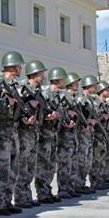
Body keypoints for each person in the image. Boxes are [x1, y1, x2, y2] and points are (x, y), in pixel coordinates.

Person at [0, 51, 26, 216]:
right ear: (13, 66)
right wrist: (5, 102)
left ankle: (7, 201)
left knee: (13, 170)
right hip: (0, 132)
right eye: (19, 65)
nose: (21, 68)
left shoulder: (15, 85)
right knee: (0, 170)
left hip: (13, 131)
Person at [14, 60, 47, 209]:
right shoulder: (22, 89)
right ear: (34, 74)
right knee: (22, 166)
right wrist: (26, 112)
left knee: (31, 167)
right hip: (23, 133)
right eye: (41, 73)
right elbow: (16, 108)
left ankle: (27, 196)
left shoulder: (38, 91)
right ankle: (21, 198)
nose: (44, 76)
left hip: (34, 133)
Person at [36, 66, 68, 203]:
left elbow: (61, 112)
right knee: (43, 165)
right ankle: (42, 193)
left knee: (50, 165)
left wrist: (57, 115)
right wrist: (46, 116)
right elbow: (37, 111)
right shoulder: (44, 93)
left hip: (53, 134)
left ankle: (47, 191)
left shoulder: (56, 95)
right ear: (57, 80)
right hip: (44, 135)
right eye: (63, 79)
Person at [57, 72, 83, 198]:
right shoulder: (63, 97)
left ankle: (71, 188)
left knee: (73, 163)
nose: (77, 84)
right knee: (64, 164)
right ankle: (63, 189)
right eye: (74, 82)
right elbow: (58, 112)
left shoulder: (73, 98)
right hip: (64, 136)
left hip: (73, 136)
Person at [75, 75, 99, 194]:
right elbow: (78, 115)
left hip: (89, 133)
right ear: (88, 86)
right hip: (82, 133)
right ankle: (78, 184)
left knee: (88, 160)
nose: (95, 87)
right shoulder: (80, 99)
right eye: (93, 85)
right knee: (82, 159)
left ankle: (82, 183)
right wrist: (87, 121)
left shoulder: (90, 99)